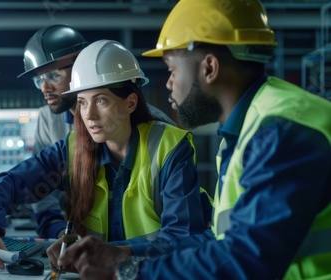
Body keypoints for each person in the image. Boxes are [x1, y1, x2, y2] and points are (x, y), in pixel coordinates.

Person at [57, 0, 331, 279]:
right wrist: (120, 253)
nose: (169, 83)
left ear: (209, 67)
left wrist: (127, 271)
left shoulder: (282, 130)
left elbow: (248, 260)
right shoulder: (241, 135)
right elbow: (219, 243)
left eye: (172, 69)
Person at [0, 39, 210, 272]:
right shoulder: (74, 148)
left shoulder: (169, 146)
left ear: (130, 103)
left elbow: (182, 239)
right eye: (83, 103)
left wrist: (108, 253)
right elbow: (13, 182)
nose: (90, 115)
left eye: (101, 101)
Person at [17, 24, 176, 239]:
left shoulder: (156, 126)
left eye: (53, 76)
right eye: (39, 80)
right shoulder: (48, 120)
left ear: (80, 69)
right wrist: (56, 229)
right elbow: (41, 186)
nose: (45, 88)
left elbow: (177, 219)